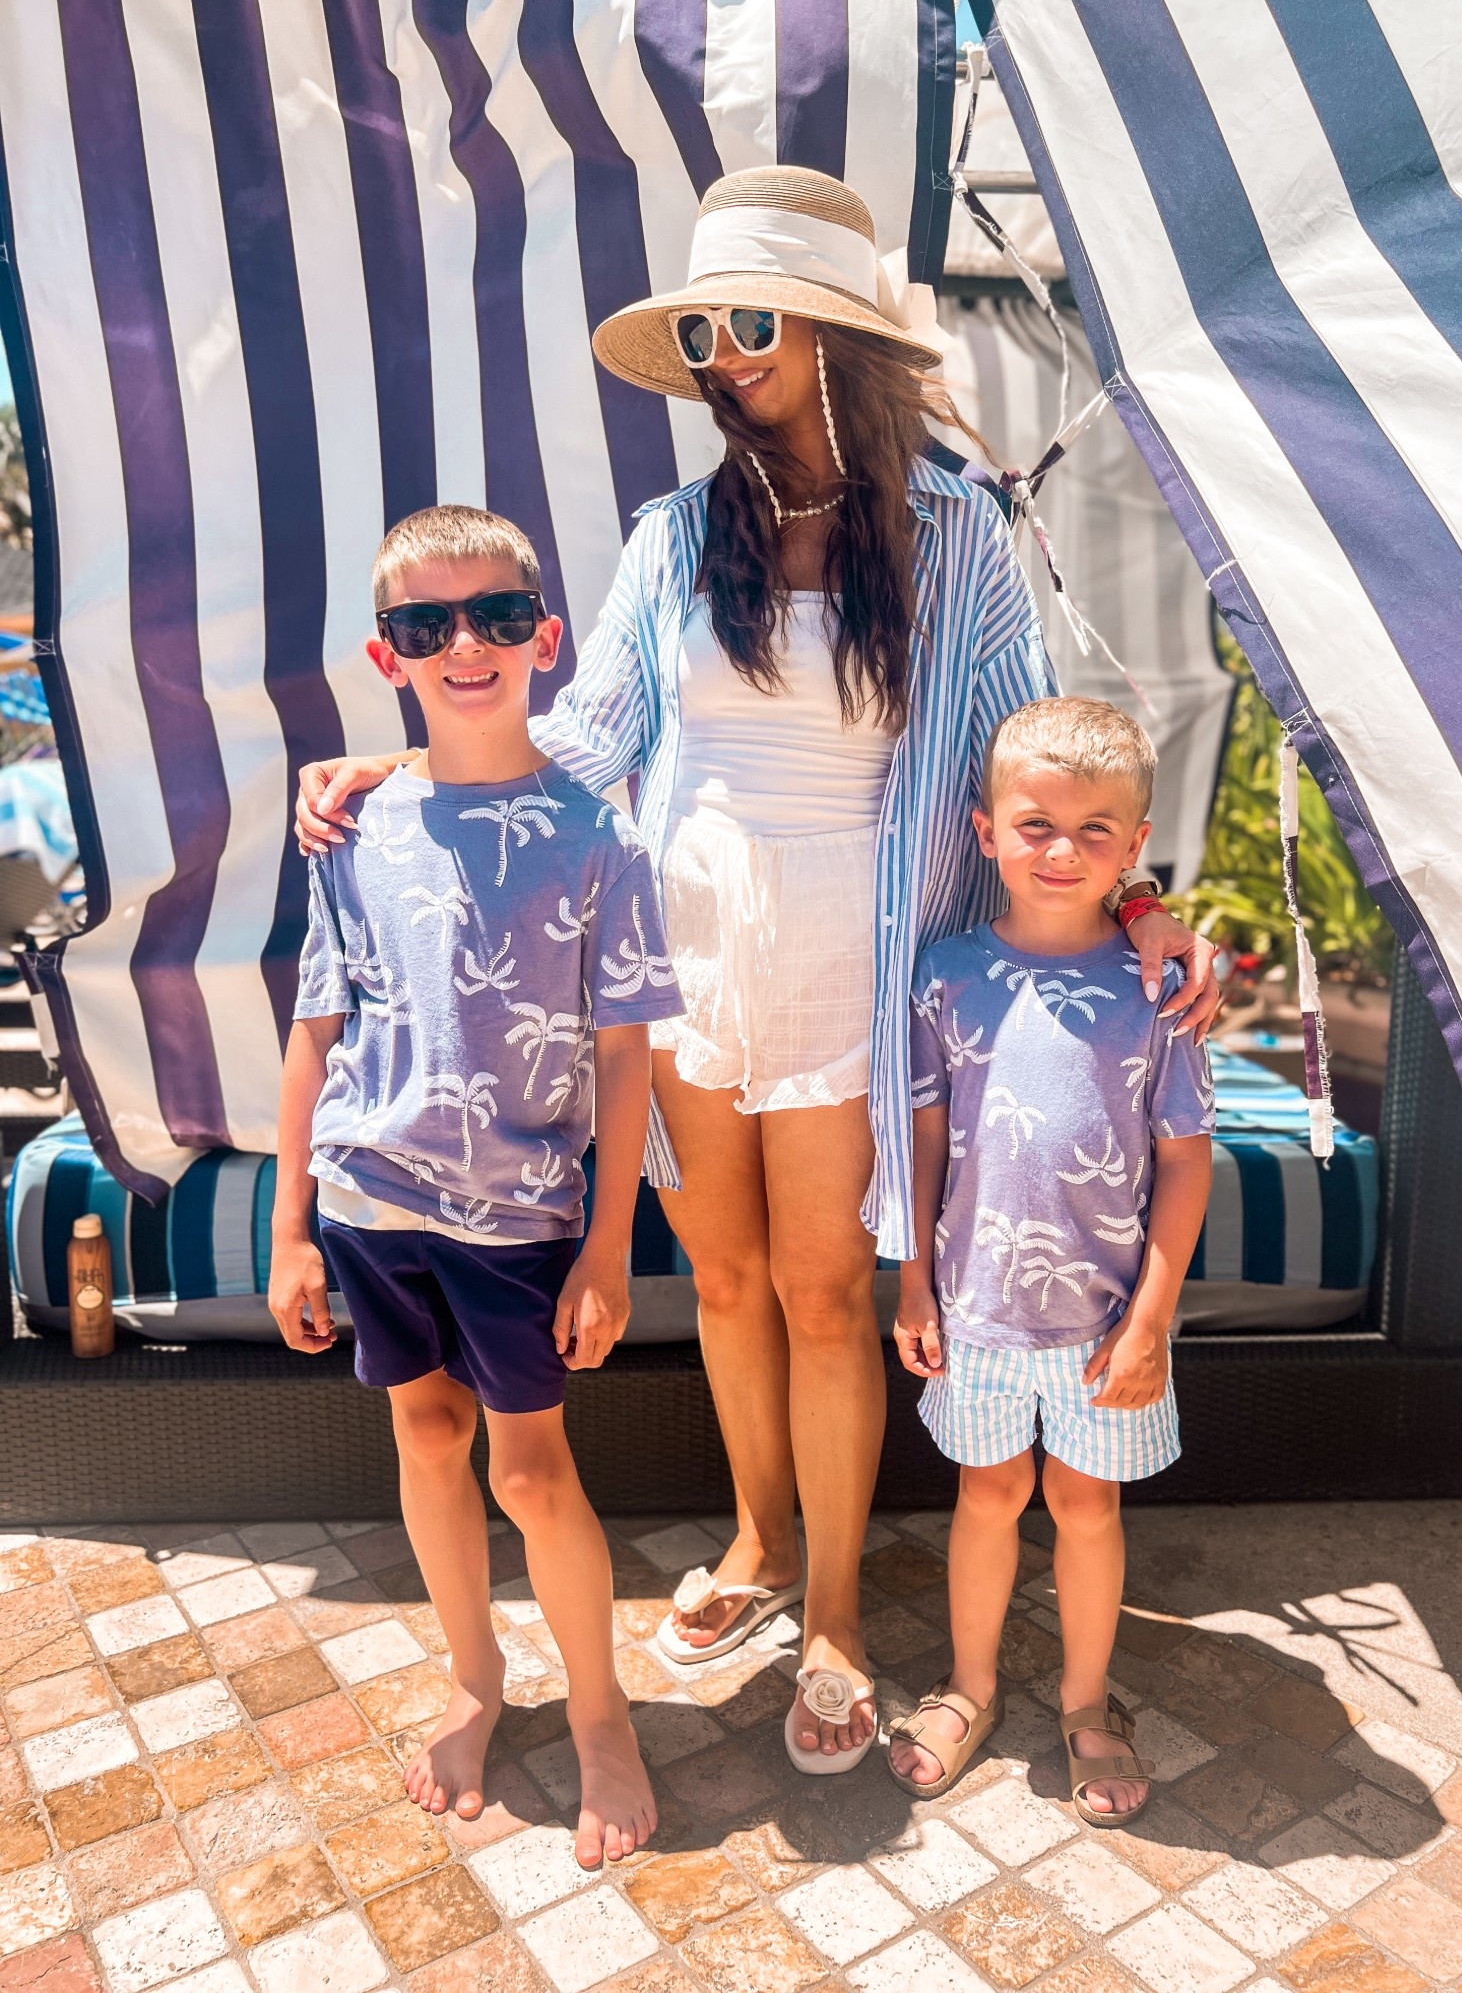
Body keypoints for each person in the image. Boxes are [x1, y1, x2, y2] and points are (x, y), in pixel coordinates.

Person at [294, 166, 1219, 1774]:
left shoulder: (957, 534)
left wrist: (1137, 906)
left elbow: (1026, 758)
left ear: (832, 336)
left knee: (820, 1292)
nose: (722, 357)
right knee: (723, 1281)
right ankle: (759, 1539)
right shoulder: (674, 537)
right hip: (685, 954)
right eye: (701, 330)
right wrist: (399, 766)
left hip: (857, 968)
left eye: (748, 324)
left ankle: (843, 1613)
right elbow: (583, 742)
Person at [269, 506, 683, 1867]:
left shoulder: (598, 838)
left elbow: (628, 1064)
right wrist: (290, 1232)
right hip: (369, 1204)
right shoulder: (351, 828)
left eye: (498, 618)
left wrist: (611, 1247)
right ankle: (475, 1675)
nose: (466, 644)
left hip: (520, 1221)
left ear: (545, 641)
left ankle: (602, 1712)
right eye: (425, 624)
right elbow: (317, 1030)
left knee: (534, 1468)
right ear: (387, 655)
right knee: (426, 1441)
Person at [890, 698, 1213, 1817]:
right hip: (974, 1309)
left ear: (1135, 849)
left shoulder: (1160, 991)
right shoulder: (943, 973)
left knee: (1085, 1504)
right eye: (1036, 825)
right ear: (985, 830)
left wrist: (1152, 1320)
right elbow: (926, 1136)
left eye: (1095, 831)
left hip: (1105, 1318)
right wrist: (913, 1278)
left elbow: (1185, 1162)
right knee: (988, 1493)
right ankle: (971, 1684)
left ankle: (1085, 1701)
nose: (1062, 851)